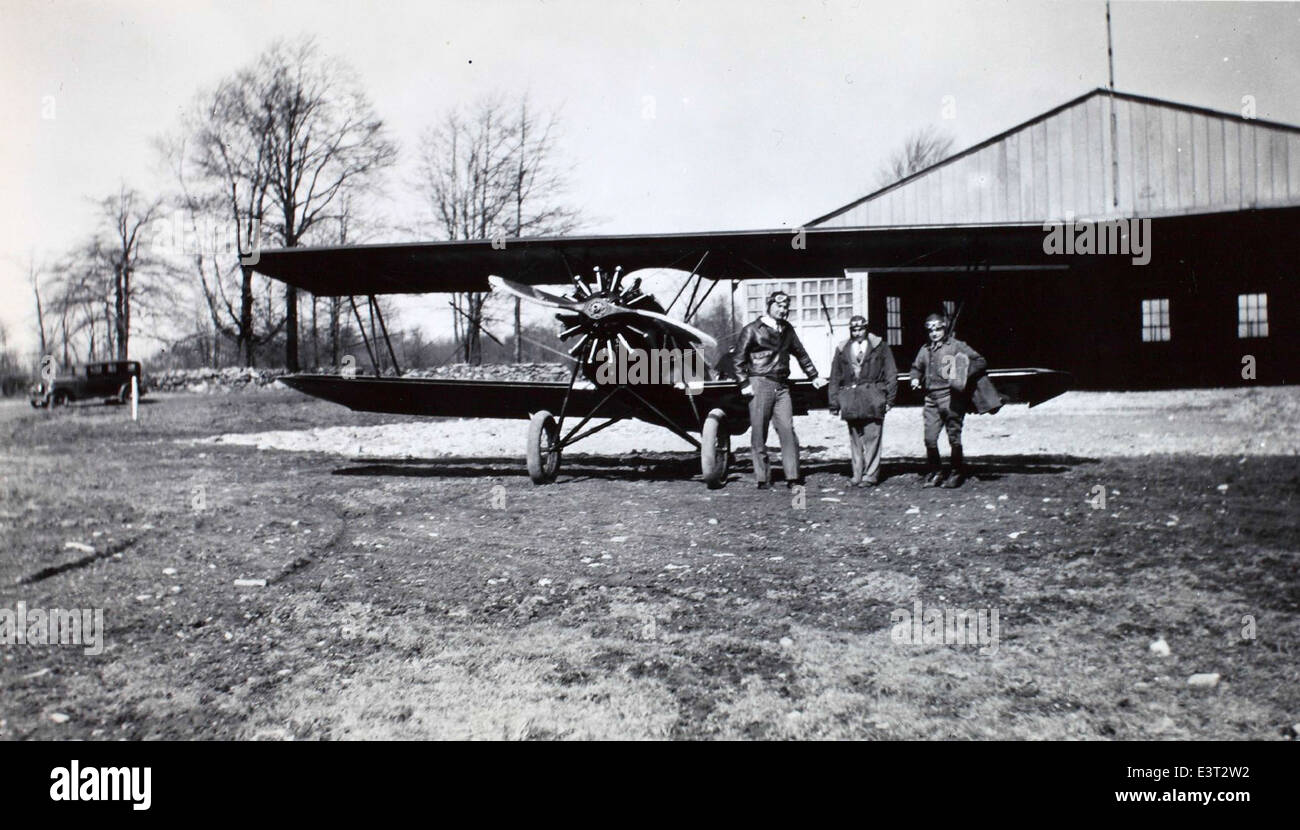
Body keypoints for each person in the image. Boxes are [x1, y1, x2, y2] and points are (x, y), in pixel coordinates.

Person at [734, 291, 828, 489]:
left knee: (787, 429)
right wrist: (744, 384)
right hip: (759, 383)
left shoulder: (787, 330)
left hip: (782, 386)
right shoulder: (752, 329)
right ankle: (762, 478)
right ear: (768, 306)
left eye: (786, 307)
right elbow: (738, 360)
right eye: (779, 306)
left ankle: (792, 477)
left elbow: (801, 354)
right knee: (759, 431)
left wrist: (814, 376)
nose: (783, 310)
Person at [909, 312, 987, 488]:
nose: (934, 333)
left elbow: (980, 361)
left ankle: (956, 472)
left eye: (938, 329)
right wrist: (914, 378)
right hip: (931, 400)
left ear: (944, 328)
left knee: (954, 437)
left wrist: (962, 372)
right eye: (931, 331)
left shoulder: (956, 346)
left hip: (951, 398)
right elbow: (916, 368)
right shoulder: (925, 350)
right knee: (929, 438)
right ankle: (935, 472)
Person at [828, 315, 897, 487]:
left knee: (873, 436)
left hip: (873, 396)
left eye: (861, 329)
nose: (857, 332)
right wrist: (834, 402)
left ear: (866, 329)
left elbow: (891, 374)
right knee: (855, 438)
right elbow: (835, 376)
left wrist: (890, 399)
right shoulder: (843, 348)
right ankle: (857, 474)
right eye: (854, 329)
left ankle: (870, 475)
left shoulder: (880, 347)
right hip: (851, 398)